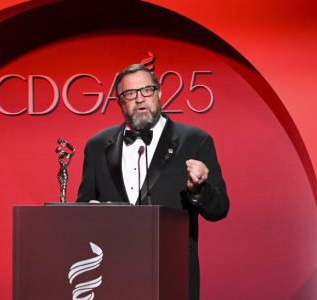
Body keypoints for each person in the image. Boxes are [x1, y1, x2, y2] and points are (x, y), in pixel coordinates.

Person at [76, 64, 229, 300]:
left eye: (146, 90)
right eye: (130, 94)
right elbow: (83, 209)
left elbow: (219, 209)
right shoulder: (97, 145)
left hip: (172, 272)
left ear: (158, 94)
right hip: (112, 274)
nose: (140, 99)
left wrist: (198, 191)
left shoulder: (195, 140)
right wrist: (93, 215)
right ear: (119, 101)